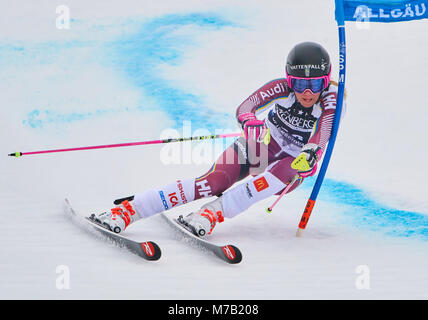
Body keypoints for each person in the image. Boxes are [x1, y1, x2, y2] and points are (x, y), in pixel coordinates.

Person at [94, 41, 342, 237]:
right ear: (289, 80)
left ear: (325, 80)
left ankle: (212, 212)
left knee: (279, 175)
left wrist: (311, 155)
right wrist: (250, 123)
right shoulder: (281, 88)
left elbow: (324, 132)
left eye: (315, 84)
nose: (307, 92)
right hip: (262, 146)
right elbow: (246, 107)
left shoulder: (330, 100)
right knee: (214, 182)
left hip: (294, 160)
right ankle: (130, 210)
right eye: (299, 83)